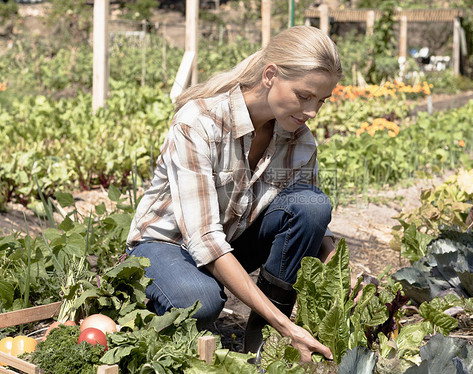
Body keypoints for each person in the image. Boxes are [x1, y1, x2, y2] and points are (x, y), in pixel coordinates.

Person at [125, 25, 342, 362]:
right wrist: (288, 324)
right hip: (167, 246)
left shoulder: (299, 139)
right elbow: (204, 239)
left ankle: (264, 336)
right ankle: (158, 296)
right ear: (270, 75)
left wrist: (340, 274)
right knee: (200, 300)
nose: (312, 111)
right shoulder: (200, 122)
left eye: (321, 101)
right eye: (304, 96)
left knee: (311, 204)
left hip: (230, 241)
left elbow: (310, 222)